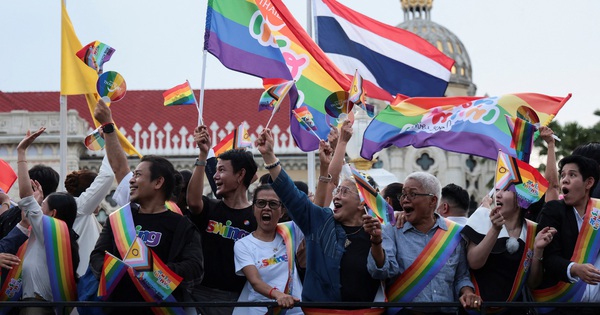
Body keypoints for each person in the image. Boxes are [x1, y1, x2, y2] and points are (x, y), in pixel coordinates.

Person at [91, 98, 204, 315]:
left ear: (158, 182)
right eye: (133, 175)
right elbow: (97, 257)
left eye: (138, 175)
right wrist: (118, 270)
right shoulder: (119, 220)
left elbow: (195, 269)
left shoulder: (182, 226)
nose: (131, 180)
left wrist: (150, 272)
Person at [255, 128, 383, 313]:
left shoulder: (378, 231)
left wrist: (377, 240)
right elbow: (292, 196)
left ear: (362, 201)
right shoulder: (322, 222)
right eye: (337, 191)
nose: (336, 196)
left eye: (344, 192)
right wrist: (270, 158)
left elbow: (387, 270)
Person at [364, 171, 479, 315]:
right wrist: (376, 242)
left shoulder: (455, 234)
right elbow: (382, 271)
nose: (405, 200)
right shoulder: (391, 231)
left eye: (412, 194)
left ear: (432, 200)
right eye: (403, 195)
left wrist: (467, 292)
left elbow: (461, 277)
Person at [187, 125, 258, 315]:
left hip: (237, 300)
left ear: (241, 175)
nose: (215, 176)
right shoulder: (210, 207)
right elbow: (193, 202)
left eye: (221, 170)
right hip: (198, 295)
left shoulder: (257, 218)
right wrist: (202, 156)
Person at [16, 127, 79, 315]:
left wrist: (21, 152)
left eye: (42, 205)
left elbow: (26, 196)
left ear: (53, 214)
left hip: (36, 305)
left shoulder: (47, 230)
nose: (38, 206)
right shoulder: (62, 236)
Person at [462, 190, 556, 314]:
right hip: (476, 309)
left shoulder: (532, 230)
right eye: (497, 190)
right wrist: (495, 229)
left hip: (514, 310)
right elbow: (474, 262)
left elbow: (533, 283)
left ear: (521, 198)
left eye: (506, 190)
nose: (498, 195)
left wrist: (538, 250)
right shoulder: (483, 216)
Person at [534, 155, 600, 315]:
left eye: (572, 175)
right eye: (562, 175)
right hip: (562, 307)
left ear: (589, 183)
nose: (564, 180)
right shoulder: (554, 210)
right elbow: (548, 258)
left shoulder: (598, 212)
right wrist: (575, 269)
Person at [233, 184, 304, 315]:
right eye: (261, 203)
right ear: (253, 208)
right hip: (262, 311)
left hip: (295, 311)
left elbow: (316, 210)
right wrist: (278, 295)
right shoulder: (243, 245)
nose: (266, 208)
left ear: (282, 211)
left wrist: (324, 171)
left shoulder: (290, 231)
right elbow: (255, 281)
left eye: (273, 204)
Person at [65, 157, 115, 278]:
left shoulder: (84, 213)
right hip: (81, 282)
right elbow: (107, 175)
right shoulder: (80, 207)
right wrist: (109, 141)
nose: (100, 202)